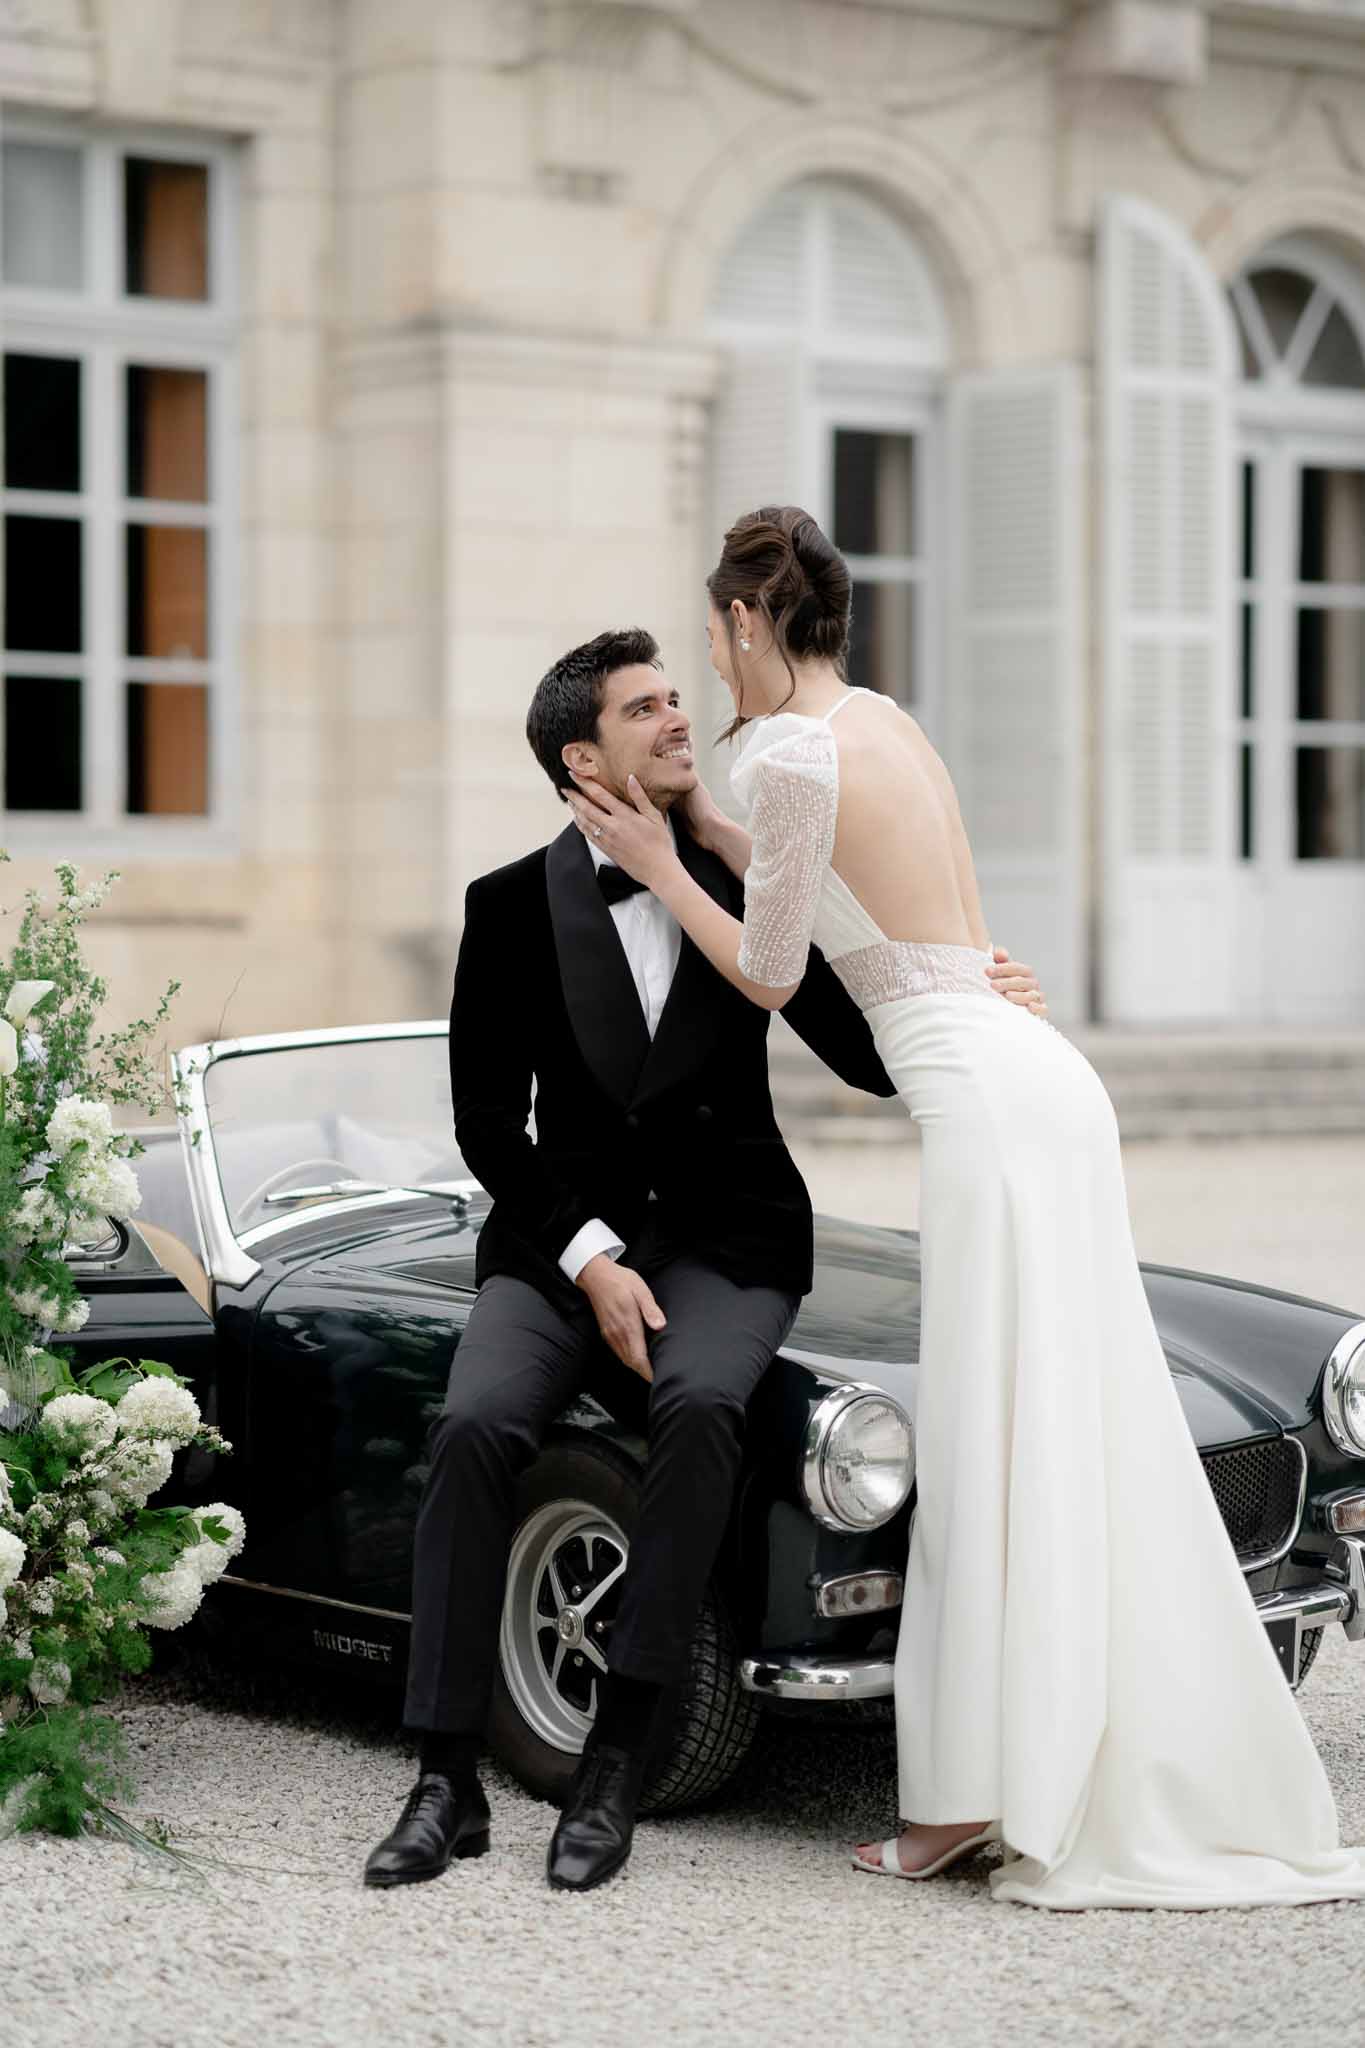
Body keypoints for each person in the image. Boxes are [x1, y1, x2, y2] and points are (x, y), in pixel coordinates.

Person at [564, 506, 1365, 1910]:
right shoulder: (884, 721)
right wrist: (707, 828)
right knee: (1070, 1426)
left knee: (997, 1437)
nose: (714, 668)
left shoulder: (790, 750)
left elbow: (769, 967)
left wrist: (663, 866)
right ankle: (1027, 1767)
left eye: (714, 637)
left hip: (986, 1111)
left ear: (747, 619)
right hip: (1037, 1075)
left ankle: (969, 1803)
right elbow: (926, 916)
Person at [362, 627, 1044, 1894]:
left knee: (700, 1406)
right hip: (563, 1243)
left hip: (730, 1234)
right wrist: (590, 1259)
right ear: (583, 757)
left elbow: (866, 1048)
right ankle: (445, 1778)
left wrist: (970, 991)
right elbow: (484, 1124)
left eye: (680, 696)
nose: (681, 718)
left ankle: (619, 1758)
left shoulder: (747, 872)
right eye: (646, 708)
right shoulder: (504, 904)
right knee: (472, 1425)